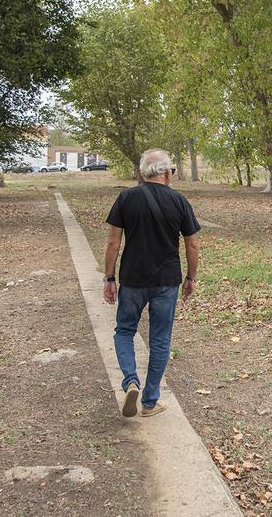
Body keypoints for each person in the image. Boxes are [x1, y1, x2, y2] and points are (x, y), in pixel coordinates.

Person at [102, 148, 200, 418]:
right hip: (166, 281)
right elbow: (192, 243)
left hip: (133, 279)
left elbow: (113, 242)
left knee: (124, 331)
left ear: (146, 173)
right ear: (167, 173)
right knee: (160, 339)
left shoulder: (126, 198)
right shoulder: (179, 201)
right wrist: (191, 278)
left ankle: (130, 381)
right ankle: (149, 401)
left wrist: (109, 277)